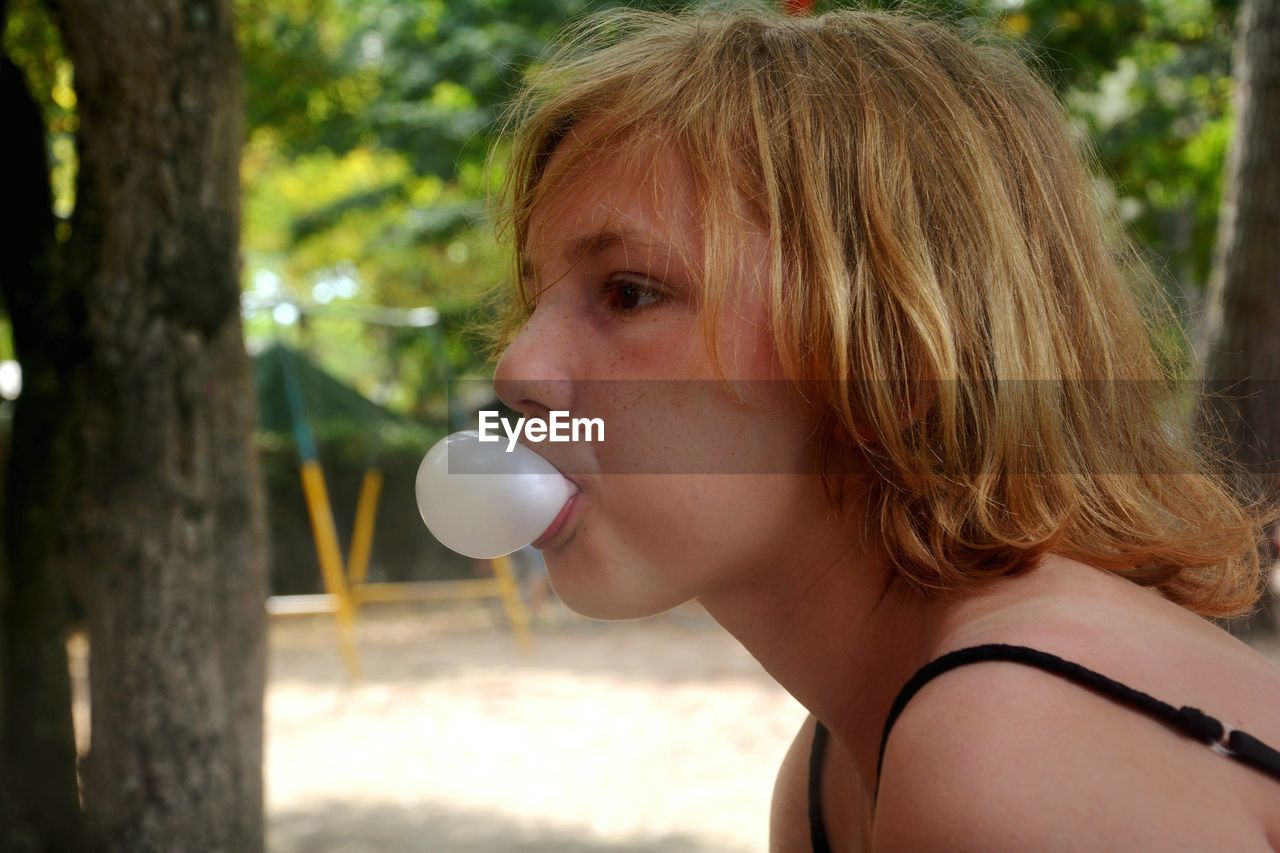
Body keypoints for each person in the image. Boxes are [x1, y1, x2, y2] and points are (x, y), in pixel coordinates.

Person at [482, 4, 1280, 849]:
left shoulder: (1007, 750)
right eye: (537, 301)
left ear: (891, 359)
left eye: (630, 292)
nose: (516, 368)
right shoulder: (834, 767)